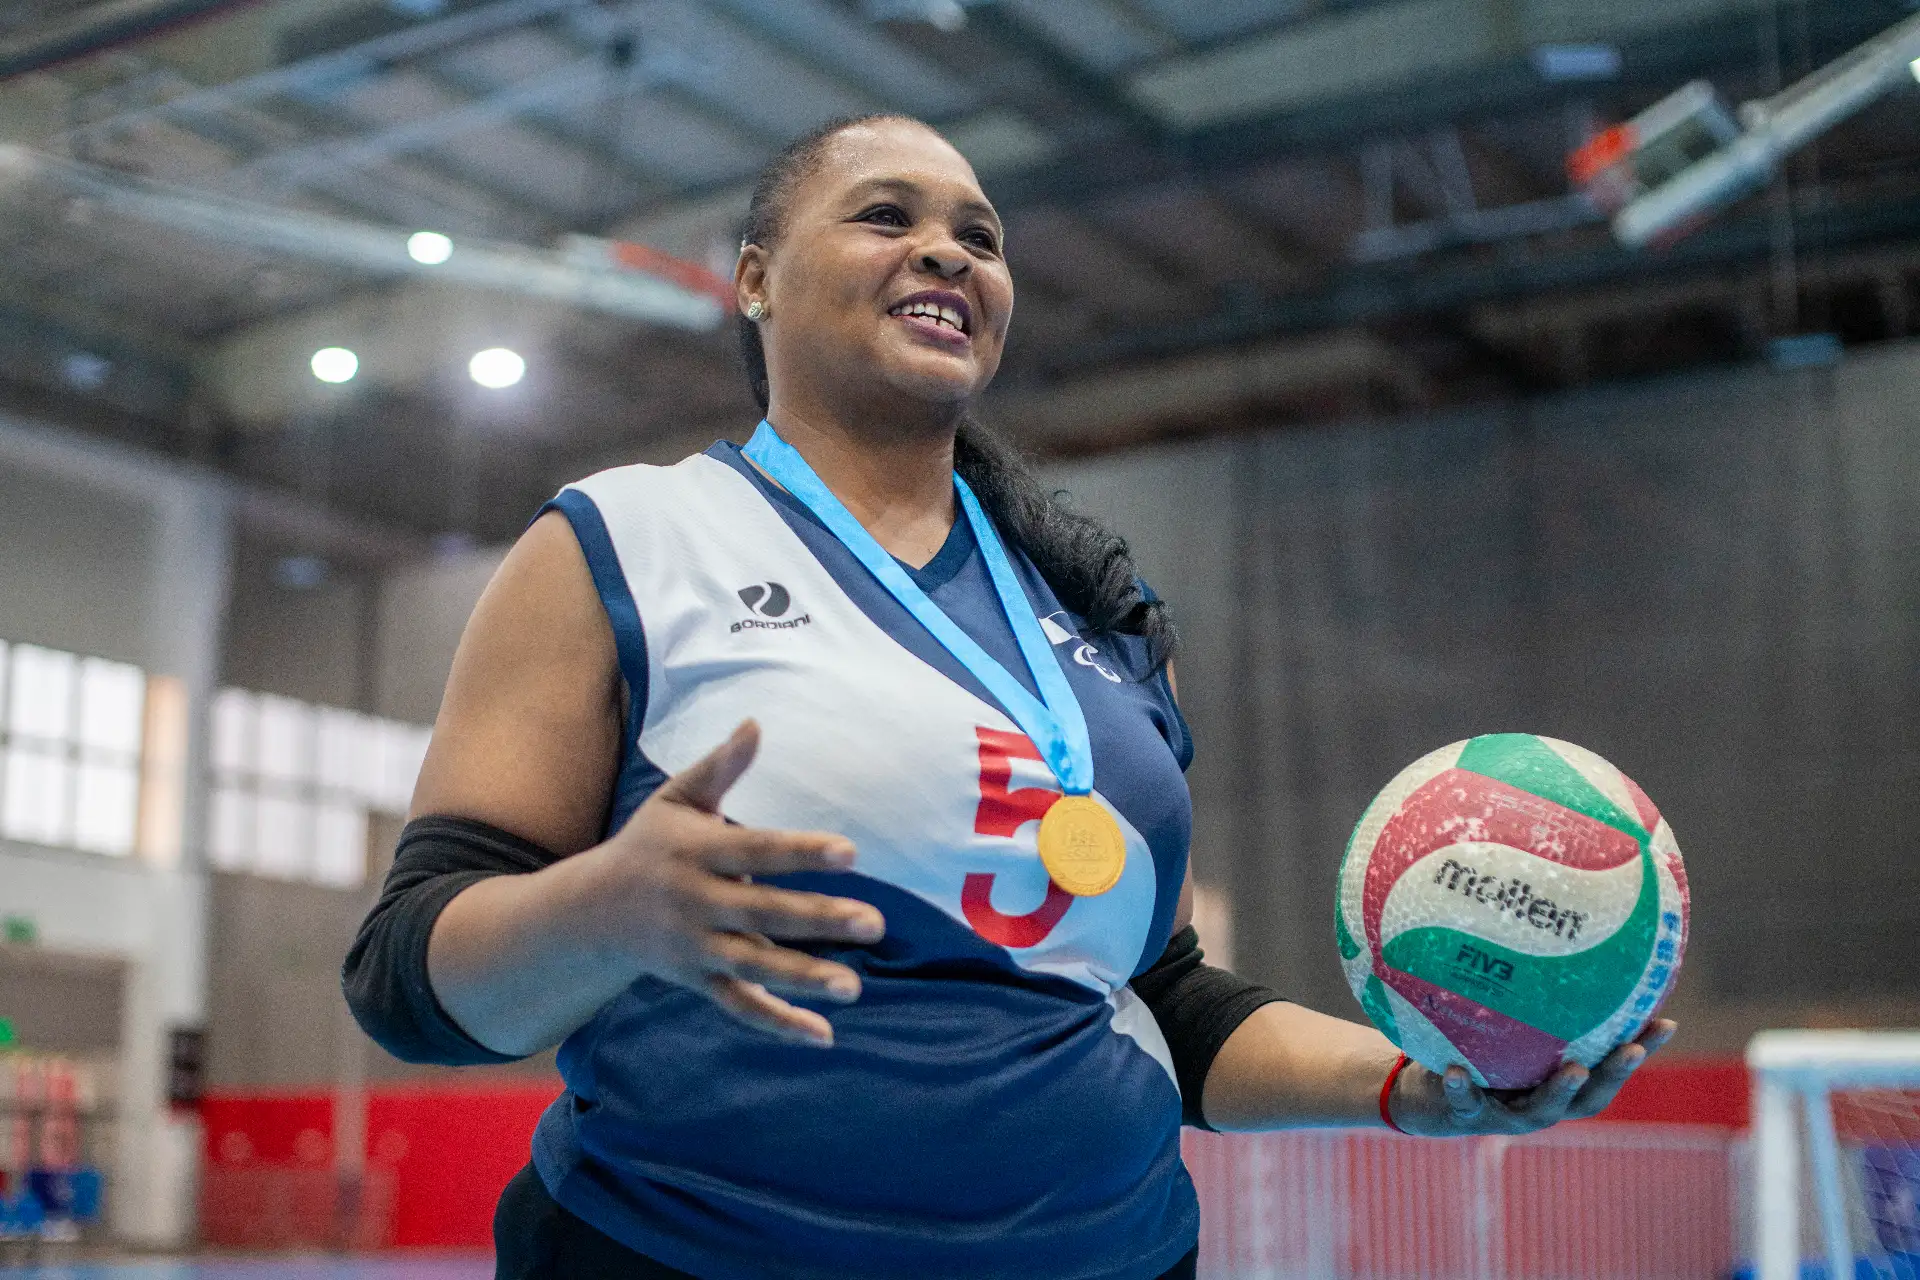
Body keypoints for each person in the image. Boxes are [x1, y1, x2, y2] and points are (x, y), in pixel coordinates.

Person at [342, 113, 1675, 1280]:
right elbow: (406, 982)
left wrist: (1405, 1088)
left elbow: (1163, 1002)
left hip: (1119, 1253)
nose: (950, 252)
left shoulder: (1100, 612)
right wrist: (603, 911)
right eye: (886, 216)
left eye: (980, 236)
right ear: (753, 278)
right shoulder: (622, 546)